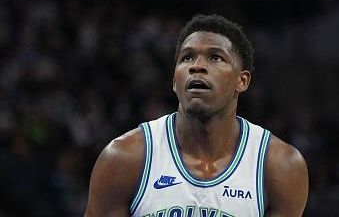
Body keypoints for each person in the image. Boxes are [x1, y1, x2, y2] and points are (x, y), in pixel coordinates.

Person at [84, 14, 309, 217]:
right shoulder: (124, 158)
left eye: (215, 57)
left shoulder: (279, 166)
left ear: (242, 81)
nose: (197, 66)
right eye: (187, 58)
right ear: (174, 81)